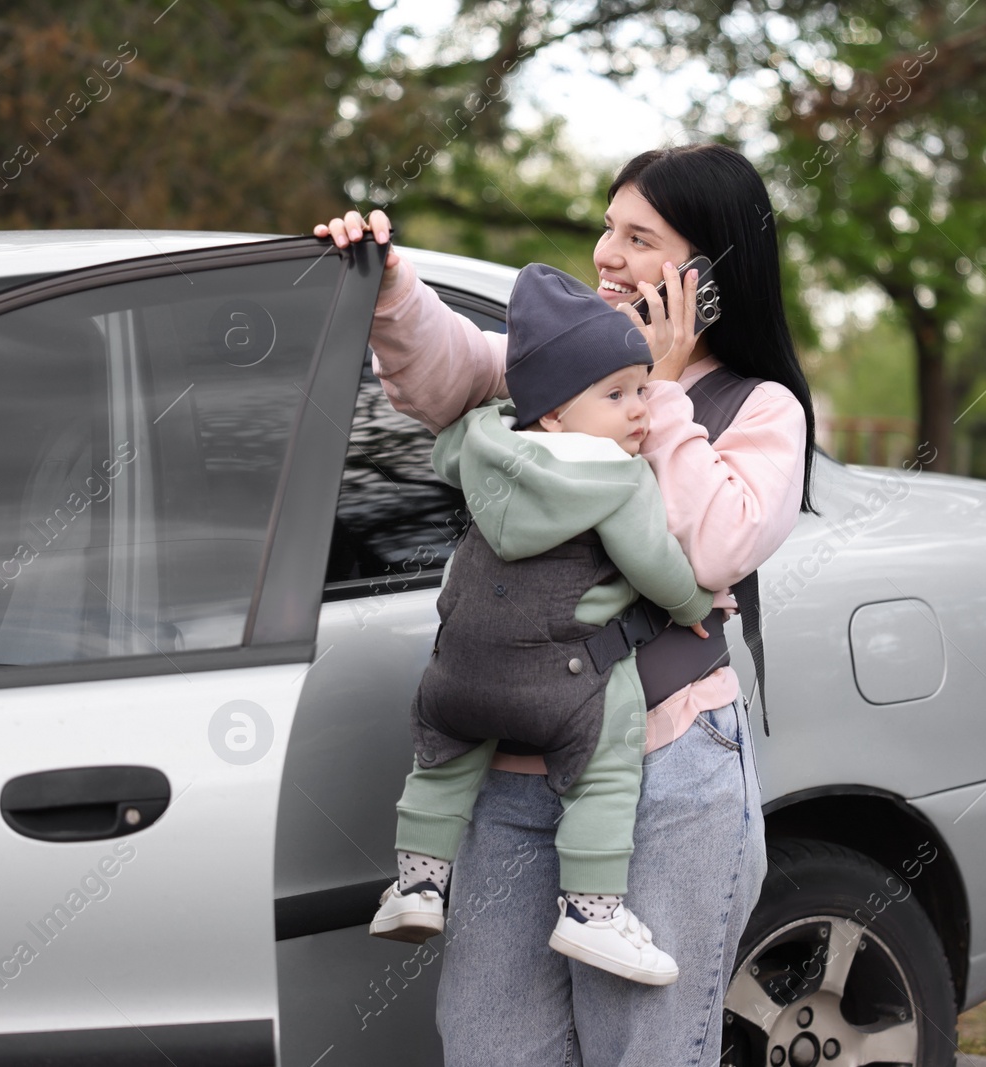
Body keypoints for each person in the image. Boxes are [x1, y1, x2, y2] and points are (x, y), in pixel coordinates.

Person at [317, 141, 817, 1066]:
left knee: (646, 1047)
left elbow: (710, 549)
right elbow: (450, 371)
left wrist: (659, 394)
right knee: (491, 1041)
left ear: (706, 271)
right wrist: (392, 288)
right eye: (607, 228)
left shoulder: (762, 409)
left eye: (638, 236)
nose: (606, 254)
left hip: (667, 774)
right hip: (511, 770)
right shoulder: (565, 363)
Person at [369, 263, 718, 987]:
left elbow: (443, 449)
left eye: (640, 390)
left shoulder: (480, 439)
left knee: (439, 764)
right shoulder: (619, 479)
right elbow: (654, 562)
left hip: (458, 672)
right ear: (557, 413)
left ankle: (418, 884)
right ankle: (592, 911)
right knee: (609, 762)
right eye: (617, 394)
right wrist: (694, 607)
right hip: (560, 683)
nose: (639, 412)